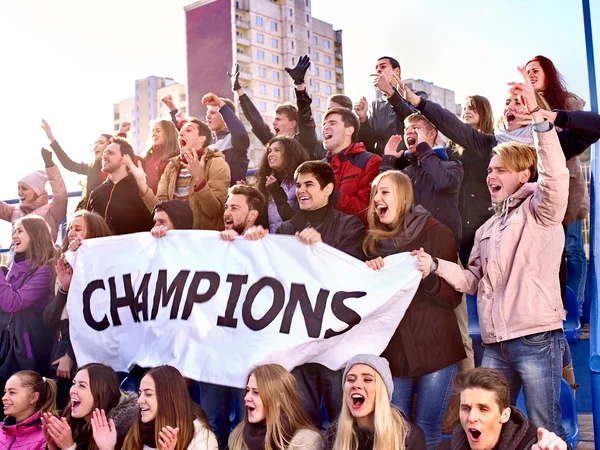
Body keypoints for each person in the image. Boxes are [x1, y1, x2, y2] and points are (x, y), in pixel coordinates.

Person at [413, 71, 570, 443]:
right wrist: (436, 266)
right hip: (496, 343)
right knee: (486, 430)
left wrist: (540, 123)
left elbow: (556, 176)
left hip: (534, 338)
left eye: (500, 170)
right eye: (488, 171)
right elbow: (472, 281)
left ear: (523, 175)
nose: (490, 176)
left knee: (545, 431)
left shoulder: (540, 208)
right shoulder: (485, 230)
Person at [245, 162, 365, 429]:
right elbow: (271, 278)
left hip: (335, 342)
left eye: (309, 184)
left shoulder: (350, 225)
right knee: (302, 424)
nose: (301, 190)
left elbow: (353, 274)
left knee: (343, 423)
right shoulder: (285, 230)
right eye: (298, 185)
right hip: (298, 343)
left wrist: (321, 249)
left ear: (328, 189)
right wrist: (253, 245)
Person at [364, 171, 464, 449]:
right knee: (397, 430)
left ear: (404, 197)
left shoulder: (437, 233)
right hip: (395, 352)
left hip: (436, 349)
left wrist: (429, 274)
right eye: (374, 193)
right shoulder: (371, 242)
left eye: (384, 192)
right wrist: (371, 274)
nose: (377, 199)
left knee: (427, 430)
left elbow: (453, 297)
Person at [526, 55, 589, 325]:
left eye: (535, 70)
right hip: (538, 186)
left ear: (548, 73)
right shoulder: (522, 101)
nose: (530, 74)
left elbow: (582, 130)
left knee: (573, 247)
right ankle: (553, 308)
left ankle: (577, 310)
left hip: (568, 183)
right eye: (526, 71)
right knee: (548, 250)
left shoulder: (566, 100)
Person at [43, 210, 113, 410]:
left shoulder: (103, 266)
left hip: (84, 346)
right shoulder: (61, 264)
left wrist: (70, 355)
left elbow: (95, 317)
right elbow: (49, 318)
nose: (71, 233)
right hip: (62, 339)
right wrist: (64, 289)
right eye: (70, 228)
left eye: (78, 228)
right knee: (61, 408)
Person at [127, 117, 231, 231]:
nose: (181, 133)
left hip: (203, 242)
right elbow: (161, 209)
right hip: (176, 240)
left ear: (201, 139)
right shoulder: (172, 166)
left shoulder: (217, 164)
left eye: (188, 130)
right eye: (181, 130)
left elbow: (213, 211)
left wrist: (200, 180)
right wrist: (141, 183)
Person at [380, 114, 464, 243]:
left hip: (441, 245)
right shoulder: (405, 173)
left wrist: (424, 148)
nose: (409, 131)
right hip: (409, 245)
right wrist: (388, 161)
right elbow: (381, 198)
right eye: (406, 129)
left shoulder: (452, 166)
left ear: (431, 134)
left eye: (415, 127)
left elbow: (443, 183)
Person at [437, 368, 567, 450]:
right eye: (466, 408)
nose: (471, 418)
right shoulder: (446, 448)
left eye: (483, 409)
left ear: (504, 415)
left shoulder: (533, 445)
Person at [97, 365, 217, 450]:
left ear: (168, 398)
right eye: (140, 393)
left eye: (148, 394)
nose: (139, 400)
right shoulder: (136, 430)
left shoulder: (200, 437)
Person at [324, 354, 426, 450]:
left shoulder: (410, 437)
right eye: (350, 379)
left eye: (367, 379)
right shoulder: (334, 435)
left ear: (383, 390)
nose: (356, 384)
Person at [0, 216, 56, 385]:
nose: (14, 236)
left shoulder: (44, 270)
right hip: (8, 342)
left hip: (28, 349)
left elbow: (13, 303)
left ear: (35, 234)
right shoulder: (13, 267)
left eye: (20, 231)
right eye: (14, 231)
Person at [231, 61, 318, 159]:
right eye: (274, 119)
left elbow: (305, 116)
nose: (273, 123)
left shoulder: (305, 141)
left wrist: (299, 85)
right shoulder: (274, 142)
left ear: (292, 124)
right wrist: (238, 89)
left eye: (278, 119)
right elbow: (256, 122)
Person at [41, 363, 138, 450]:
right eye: (74, 383)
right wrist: (53, 447)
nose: (73, 390)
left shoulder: (126, 433)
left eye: (82, 386)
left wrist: (69, 447)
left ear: (101, 393)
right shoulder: (71, 422)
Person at [228, 364, 324, 450]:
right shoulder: (237, 436)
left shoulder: (305, 441)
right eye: (247, 390)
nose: (246, 397)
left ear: (279, 399)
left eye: (256, 392)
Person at [41, 119, 128, 210]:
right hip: (91, 213)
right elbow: (68, 164)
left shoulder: (116, 169)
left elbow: (122, 153)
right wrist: (51, 138)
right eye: (96, 143)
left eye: (101, 142)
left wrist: (122, 134)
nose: (96, 145)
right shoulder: (91, 167)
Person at [322, 108, 381, 225]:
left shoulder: (371, 161)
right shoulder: (318, 166)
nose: (325, 128)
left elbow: (368, 212)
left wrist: (330, 194)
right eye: (324, 124)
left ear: (349, 130)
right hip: (318, 239)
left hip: (353, 239)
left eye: (332, 123)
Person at [88, 137, 154, 235]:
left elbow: (156, 221)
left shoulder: (141, 191)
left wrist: (141, 181)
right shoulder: (95, 193)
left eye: (110, 153)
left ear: (124, 159)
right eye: (104, 153)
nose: (104, 156)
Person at [0, 149, 68, 242]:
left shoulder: (52, 212)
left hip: (43, 256)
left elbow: (60, 193)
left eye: (24, 188)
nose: (19, 192)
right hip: (16, 256)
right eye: (18, 188)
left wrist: (50, 165)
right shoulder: (14, 211)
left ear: (37, 191)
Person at [355, 56, 408, 156]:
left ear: (396, 71)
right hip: (383, 164)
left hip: (410, 163)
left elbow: (415, 121)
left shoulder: (416, 96)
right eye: (376, 68)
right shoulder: (375, 105)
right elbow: (368, 145)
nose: (378, 70)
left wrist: (390, 92)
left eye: (383, 67)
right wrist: (363, 118)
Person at [256, 137, 309, 233]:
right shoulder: (266, 181)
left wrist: (276, 192)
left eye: (277, 150)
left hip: (291, 240)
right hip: (270, 240)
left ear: (290, 154)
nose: (271, 154)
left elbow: (297, 220)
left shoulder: (301, 182)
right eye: (269, 151)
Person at [0, 370, 57, 449]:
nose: (4, 398)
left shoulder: (48, 436)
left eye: (12, 392)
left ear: (34, 397)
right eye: (5, 392)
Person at [203, 93, 250, 185]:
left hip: (231, 195)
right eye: (207, 113)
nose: (207, 116)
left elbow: (240, 133)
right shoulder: (208, 143)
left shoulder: (235, 140)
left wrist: (221, 104)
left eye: (212, 113)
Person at [140, 120, 181, 194]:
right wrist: (122, 133)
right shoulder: (148, 156)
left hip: (168, 203)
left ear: (168, 134)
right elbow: (127, 157)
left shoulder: (177, 157)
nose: (153, 134)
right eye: (153, 131)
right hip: (149, 202)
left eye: (158, 131)